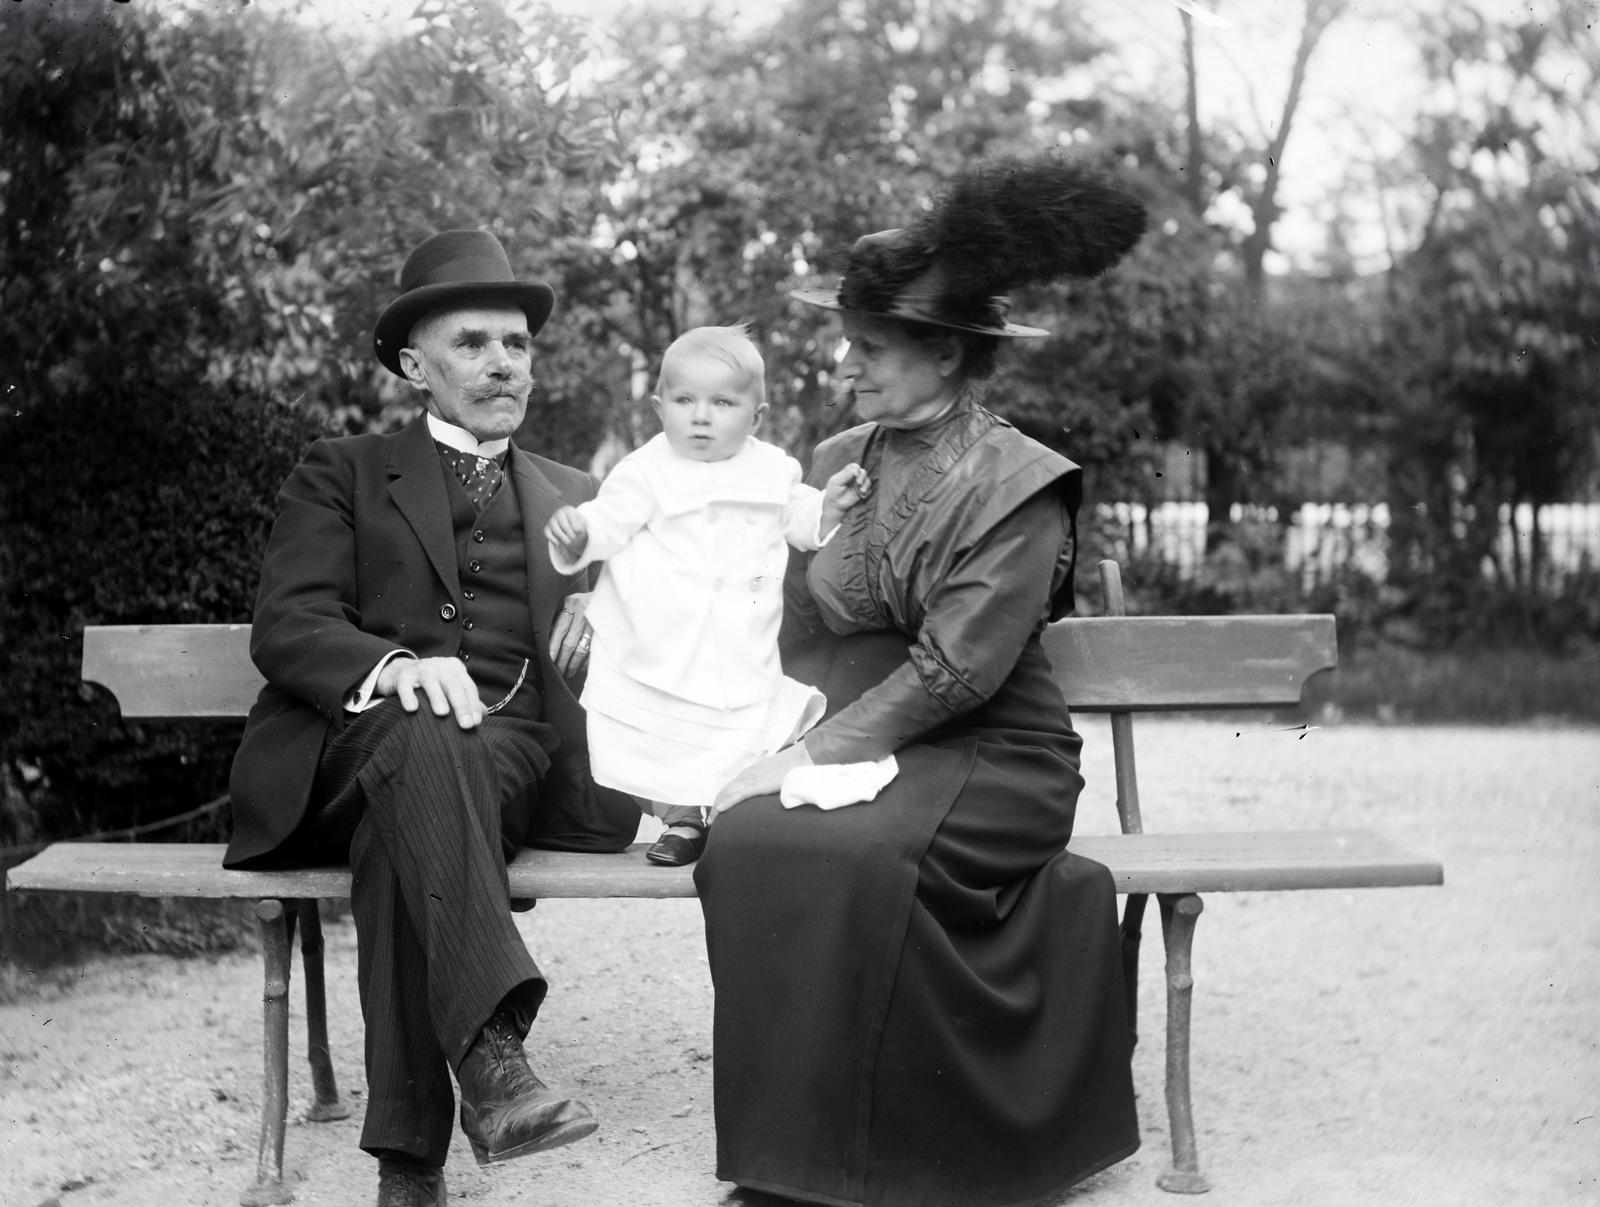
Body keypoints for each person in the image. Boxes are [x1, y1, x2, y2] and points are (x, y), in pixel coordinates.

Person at [693, 156, 1149, 1207]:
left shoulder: (1022, 485)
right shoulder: (845, 449)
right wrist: (792, 560)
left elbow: (954, 671)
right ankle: (793, 1161)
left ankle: (902, 1159)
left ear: (945, 352)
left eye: (869, 346)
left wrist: (795, 759)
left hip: (990, 752)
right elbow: (801, 621)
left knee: (842, 850)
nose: (845, 364)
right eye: (849, 341)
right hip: (865, 733)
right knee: (751, 839)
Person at [225, 228, 639, 1207]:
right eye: (473, 343)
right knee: (417, 738)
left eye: (517, 344)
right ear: (416, 364)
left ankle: (410, 1165)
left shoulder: (583, 502)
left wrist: (607, 608)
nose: (502, 362)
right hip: (347, 751)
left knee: (405, 822)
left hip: (514, 765)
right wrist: (395, 665)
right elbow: (287, 623)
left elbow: (674, 627)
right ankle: (489, 1059)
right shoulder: (345, 470)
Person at [543, 324, 873, 867]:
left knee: (735, 732)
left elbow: (801, 518)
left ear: (757, 416)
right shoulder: (645, 470)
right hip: (658, 642)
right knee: (658, 731)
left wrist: (831, 507)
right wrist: (581, 532)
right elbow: (612, 518)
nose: (701, 416)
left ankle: (728, 816)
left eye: (722, 402)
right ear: (659, 407)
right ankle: (681, 817)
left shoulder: (772, 468)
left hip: (737, 643)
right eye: (684, 400)